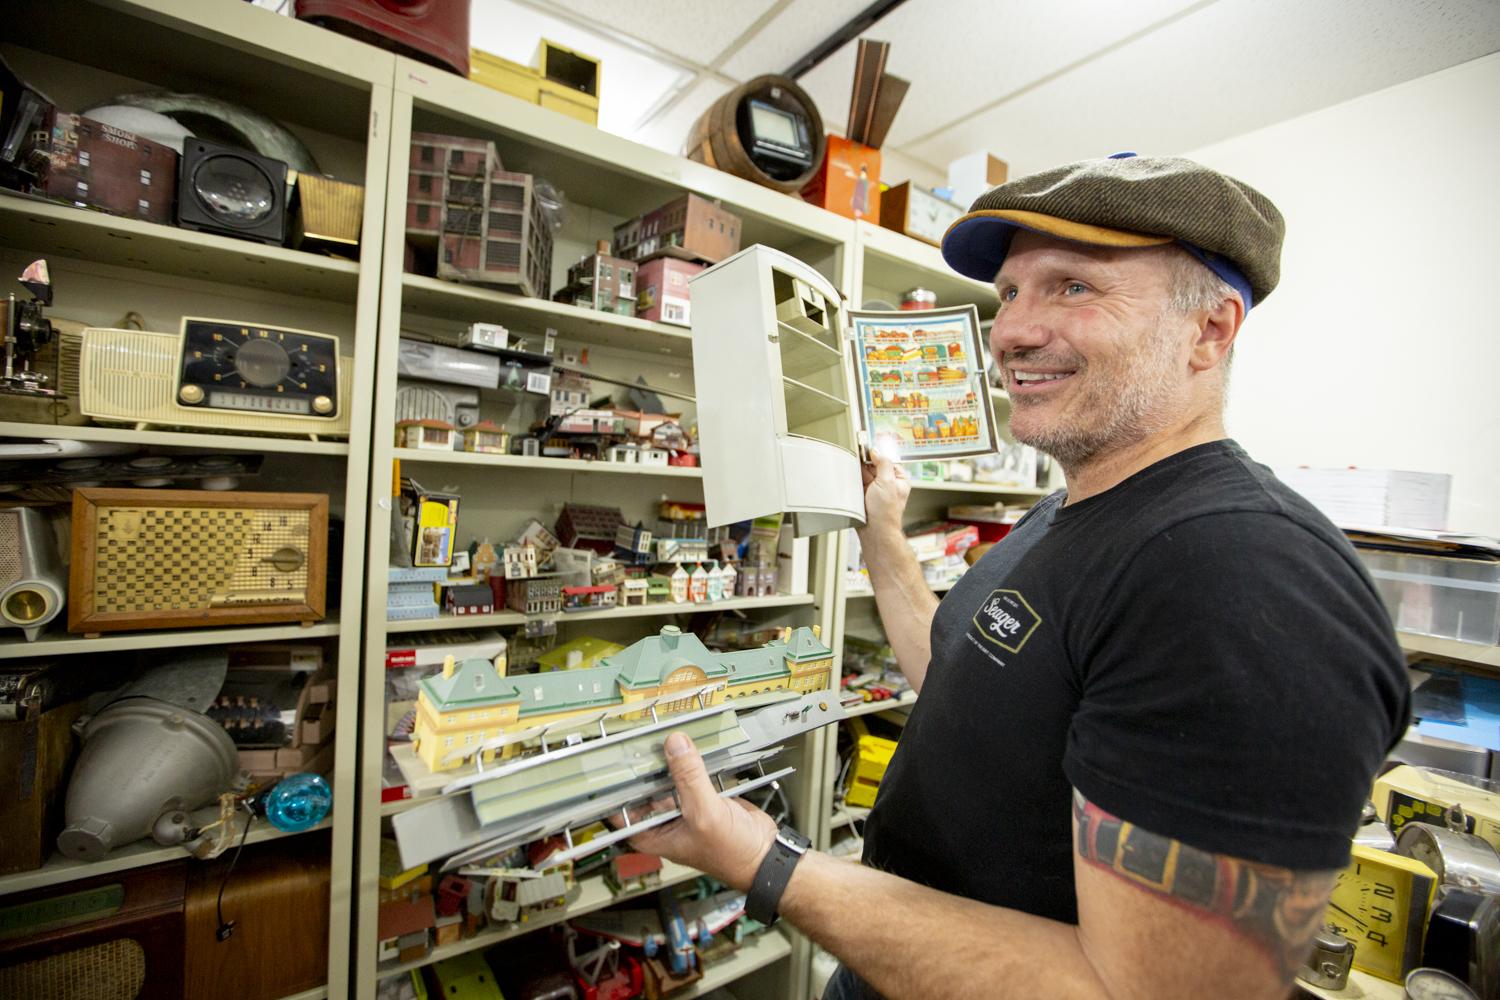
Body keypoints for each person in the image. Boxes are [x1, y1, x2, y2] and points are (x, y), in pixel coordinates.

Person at [631, 154, 1409, 999]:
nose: (1011, 333)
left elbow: (1138, 993)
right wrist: (879, 533)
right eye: (1009, 292)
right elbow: (967, 683)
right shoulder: (1077, 507)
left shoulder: (1241, 573)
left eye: (1074, 286)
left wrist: (768, 864)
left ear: (1210, 330)